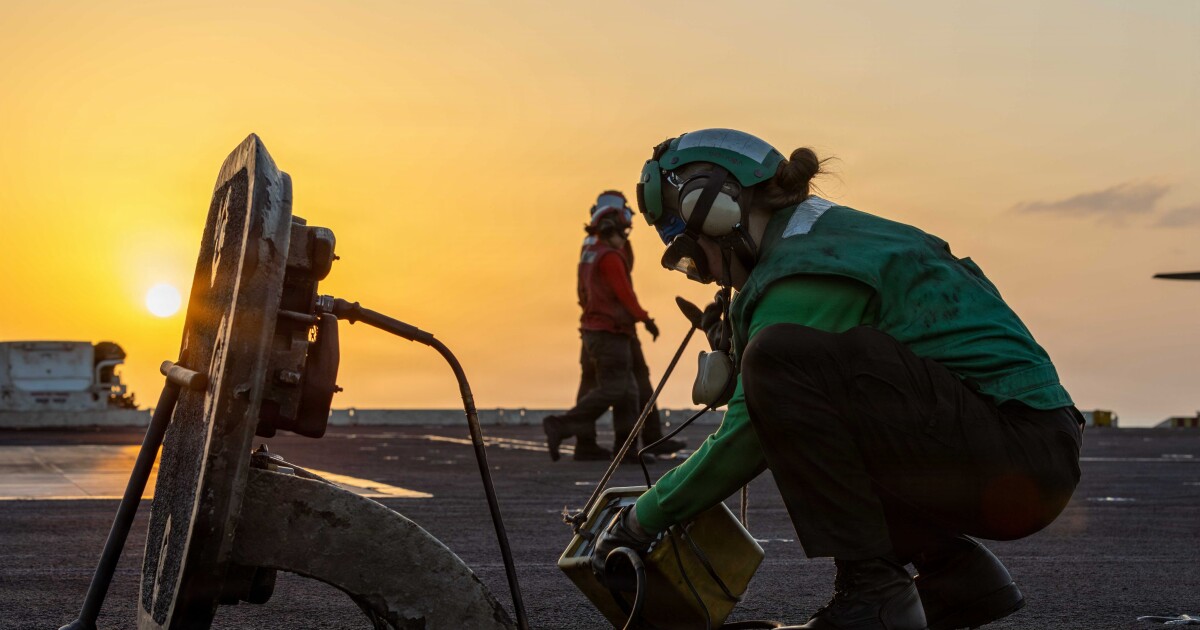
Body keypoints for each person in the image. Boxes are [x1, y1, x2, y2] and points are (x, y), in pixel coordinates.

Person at [590, 129, 1083, 630]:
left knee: (776, 361)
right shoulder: (823, 238)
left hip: (1018, 457)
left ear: (712, 210)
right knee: (789, 376)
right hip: (1021, 448)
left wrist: (640, 521)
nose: (700, 273)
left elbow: (747, 436)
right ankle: (957, 576)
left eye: (688, 254)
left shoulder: (803, 268)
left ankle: (873, 596)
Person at [543, 200, 664, 463]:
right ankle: (561, 425)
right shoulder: (610, 257)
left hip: (596, 331)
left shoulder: (590, 253)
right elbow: (625, 295)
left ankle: (626, 451)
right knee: (613, 388)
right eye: (623, 232)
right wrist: (645, 319)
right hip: (609, 333)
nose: (625, 238)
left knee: (629, 393)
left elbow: (583, 292)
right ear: (612, 229)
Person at [573, 192, 688, 459]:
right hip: (616, 326)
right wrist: (644, 318)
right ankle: (644, 440)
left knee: (591, 382)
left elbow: (582, 288)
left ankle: (586, 441)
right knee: (634, 382)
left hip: (594, 325)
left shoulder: (589, 246)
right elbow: (624, 289)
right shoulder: (611, 249)